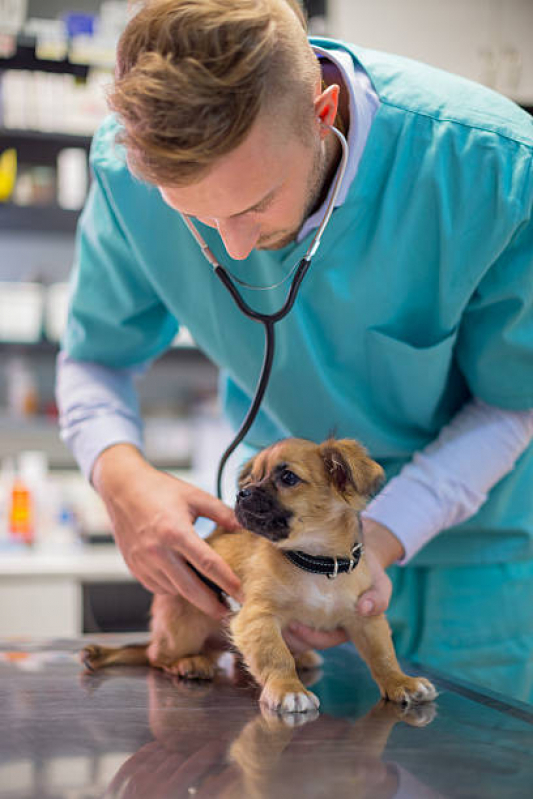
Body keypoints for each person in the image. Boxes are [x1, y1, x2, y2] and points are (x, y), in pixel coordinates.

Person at [56, 0, 533, 701]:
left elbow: (514, 399)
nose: (236, 247)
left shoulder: (493, 172)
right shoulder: (126, 171)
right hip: (278, 557)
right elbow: (93, 356)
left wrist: (373, 540)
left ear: (322, 111)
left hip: (476, 561)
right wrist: (120, 476)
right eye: (195, 215)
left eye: (254, 204)